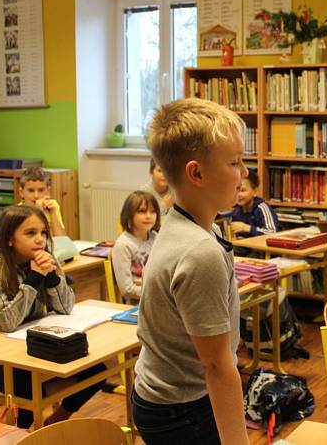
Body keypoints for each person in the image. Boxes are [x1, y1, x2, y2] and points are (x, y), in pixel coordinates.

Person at [132, 98, 250, 445]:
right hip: (179, 407)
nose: (243, 174)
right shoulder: (200, 252)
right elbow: (216, 366)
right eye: (234, 163)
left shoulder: (193, 227)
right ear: (196, 173)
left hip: (163, 394)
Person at [0, 205, 106, 429]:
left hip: (34, 342)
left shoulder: (45, 258)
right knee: (27, 387)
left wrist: (53, 277)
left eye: (43, 233)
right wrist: (35, 278)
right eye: (30, 233)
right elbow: (7, 322)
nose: (40, 240)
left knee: (96, 371)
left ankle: (53, 422)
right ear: (8, 239)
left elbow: (66, 307)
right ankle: (20, 435)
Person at [111, 190, 160, 304]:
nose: (148, 216)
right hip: (137, 305)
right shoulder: (123, 245)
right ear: (129, 214)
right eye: (142, 211)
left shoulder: (155, 237)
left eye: (152, 211)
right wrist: (158, 294)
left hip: (157, 299)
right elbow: (126, 289)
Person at [229, 171, 281, 239]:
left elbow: (273, 232)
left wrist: (246, 228)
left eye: (243, 190)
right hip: (246, 246)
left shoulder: (262, 207)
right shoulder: (236, 210)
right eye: (236, 190)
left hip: (264, 247)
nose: (238, 194)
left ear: (255, 191)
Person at [18, 167, 65, 236]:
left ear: (48, 191)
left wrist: (53, 214)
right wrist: (39, 213)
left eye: (41, 190)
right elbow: (37, 239)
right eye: (31, 190)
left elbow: (62, 239)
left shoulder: (53, 205)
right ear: (21, 192)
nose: (36, 196)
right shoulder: (18, 212)